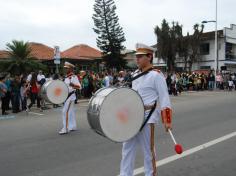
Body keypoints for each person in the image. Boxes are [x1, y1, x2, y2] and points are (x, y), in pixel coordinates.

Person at [120, 43, 172, 176]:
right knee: (127, 148)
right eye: (136, 56)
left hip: (148, 117)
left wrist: (167, 120)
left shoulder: (156, 75)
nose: (136, 59)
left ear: (149, 57)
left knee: (148, 151)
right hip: (133, 116)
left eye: (140, 56)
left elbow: (164, 97)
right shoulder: (135, 74)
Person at [59, 62, 81, 135]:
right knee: (71, 112)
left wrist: (72, 85)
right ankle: (73, 126)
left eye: (66, 68)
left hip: (70, 96)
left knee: (65, 112)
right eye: (64, 68)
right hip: (67, 96)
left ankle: (65, 128)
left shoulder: (73, 77)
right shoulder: (66, 77)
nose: (65, 69)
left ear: (71, 69)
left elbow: (79, 87)